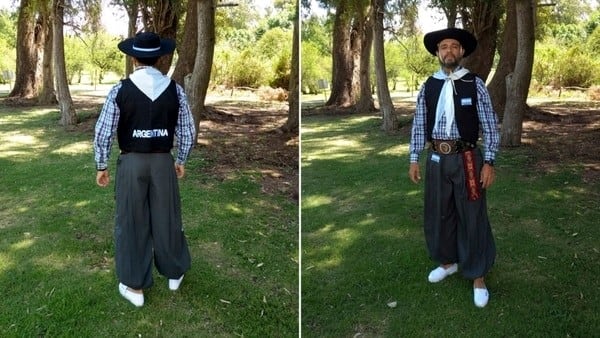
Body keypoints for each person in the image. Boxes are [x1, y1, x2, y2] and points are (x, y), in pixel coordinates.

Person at [93, 32, 196, 307]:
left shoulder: (120, 90)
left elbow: (103, 131)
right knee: (168, 218)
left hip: (131, 163)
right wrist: (181, 159)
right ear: (159, 57)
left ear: (134, 57)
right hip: (163, 162)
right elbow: (187, 131)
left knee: (131, 221)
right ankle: (174, 273)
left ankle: (133, 286)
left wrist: (101, 165)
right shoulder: (175, 90)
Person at [408, 28, 500, 308]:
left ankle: (478, 275)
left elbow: (489, 124)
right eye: (443, 46)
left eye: (454, 46)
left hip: (468, 159)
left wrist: (490, 161)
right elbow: (420, 123)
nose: (448, 51)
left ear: (461, 52)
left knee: (472, 215)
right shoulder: (429, 85)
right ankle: (448, 263)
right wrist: (414, 157)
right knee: (440, 213)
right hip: (437, 158)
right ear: (437, 53)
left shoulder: (475, 83)